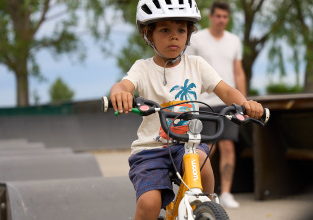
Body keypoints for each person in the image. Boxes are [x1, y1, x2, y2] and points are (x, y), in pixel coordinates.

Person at [110, 0, 262, 219]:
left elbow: (226, 91)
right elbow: (124, 85)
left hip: (187, 144)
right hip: (151, 150)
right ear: (148, 34)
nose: (175, 36)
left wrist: (246, 103)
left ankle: (206, 207)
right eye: (165, 30)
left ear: (189, 34)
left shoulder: (196, 65)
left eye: (181, 30)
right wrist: (120, 93)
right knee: (149, 202)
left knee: (202, 161)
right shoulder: (142, 68)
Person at [186, 1, 246, 209]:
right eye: (218, 16)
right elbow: (187, 69)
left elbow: (238, 71)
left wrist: (244, 103)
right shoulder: (196, 38)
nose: (221, 20)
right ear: (211, 17)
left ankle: (227, 192)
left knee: (228, 146)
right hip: (203, 104)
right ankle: (197, 191)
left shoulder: (234, 41)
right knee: (204, 150)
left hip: (228, 104)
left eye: (225, 17)